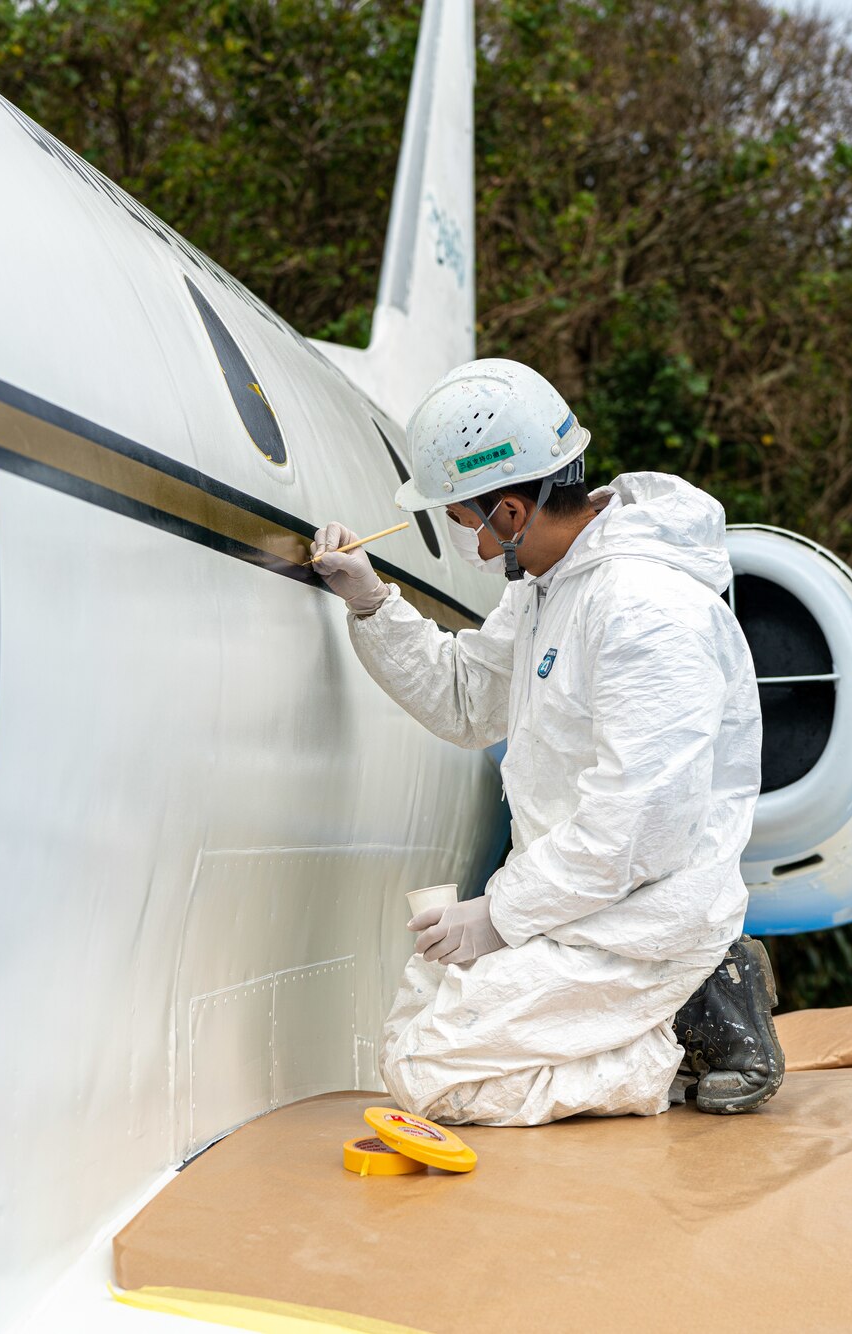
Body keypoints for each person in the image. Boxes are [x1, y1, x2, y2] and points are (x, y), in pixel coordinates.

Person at [311, 358, 783, 1125]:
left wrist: (498, 915)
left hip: (641, 921)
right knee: (418, 1014)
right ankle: (679, 1005)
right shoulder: (548, 587)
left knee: (430, 1075)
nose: (467, 542)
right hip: (573, 905)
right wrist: (370, 601)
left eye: (463, 523)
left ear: (507, 514)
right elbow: (467, 702)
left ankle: (688, 1007)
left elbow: (641, 829)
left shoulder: (645, 611)